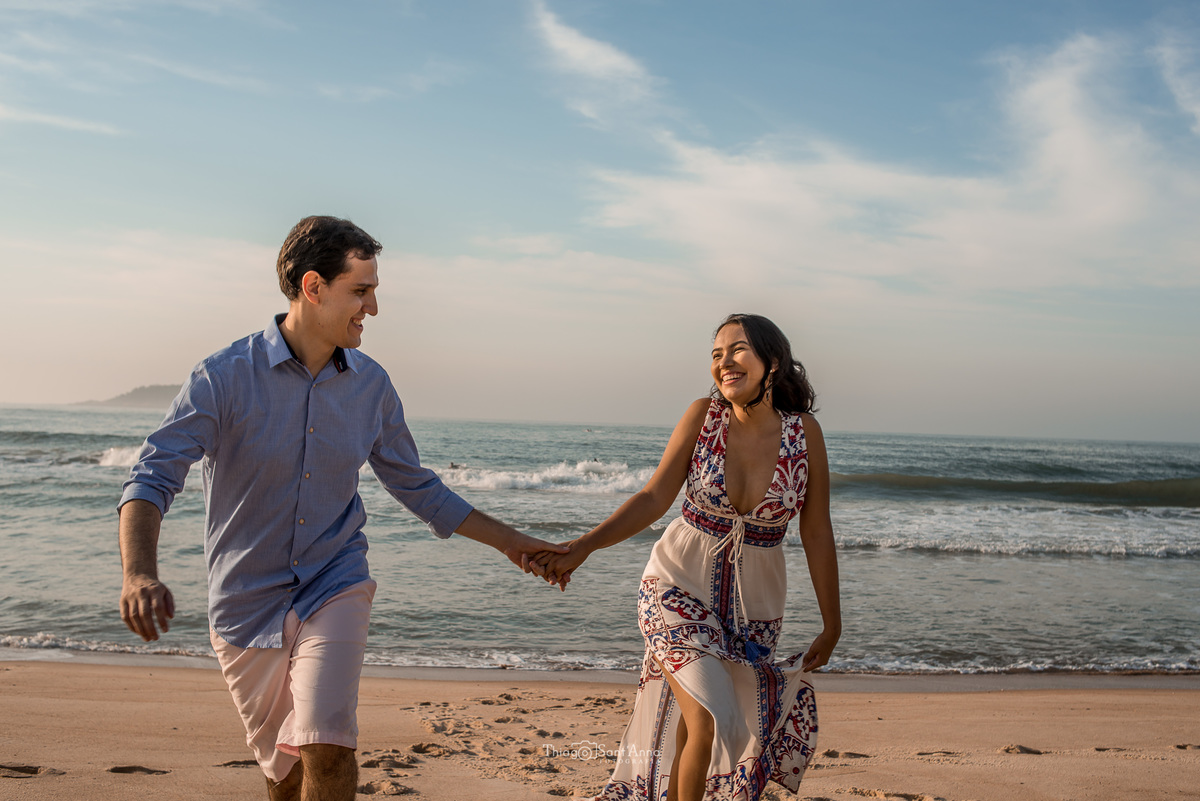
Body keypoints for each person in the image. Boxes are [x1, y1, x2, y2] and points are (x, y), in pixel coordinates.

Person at [117, 215, 566, 801]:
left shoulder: (371, 387)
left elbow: (419, 487)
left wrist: (514, 542)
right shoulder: (222, 377)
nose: (372, 309)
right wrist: (139, 573)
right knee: (286, 773)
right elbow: (152, 476)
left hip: (335, 582)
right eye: (361, 290)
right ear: (313, 287)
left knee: (328, 743)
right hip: (244, 603)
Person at [533, 313, 841, 801]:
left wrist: (832, 621)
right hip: (673, 585)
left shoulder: (803, 435)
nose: (724, 363)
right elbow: (655, 497)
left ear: (773, 362)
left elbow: (817, 530)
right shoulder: (704, 416)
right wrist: (583, 547)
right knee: (710, 716)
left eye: (738, 350)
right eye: (716, 354)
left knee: (696, 724)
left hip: (752, 610)